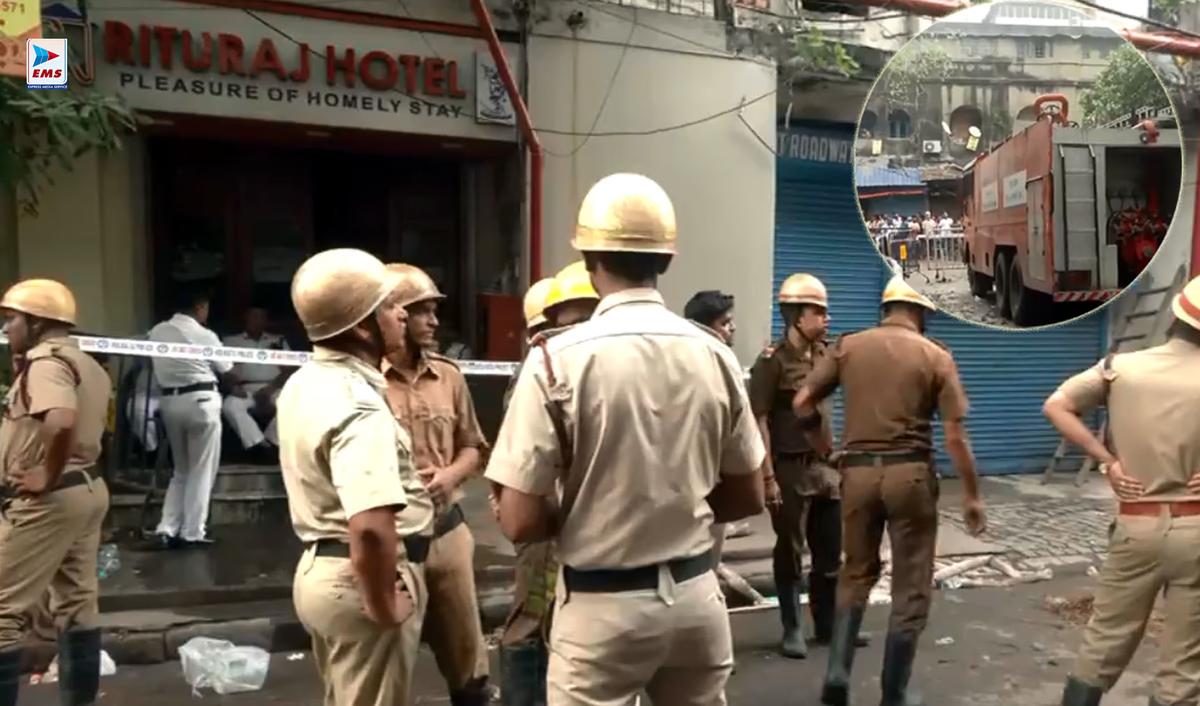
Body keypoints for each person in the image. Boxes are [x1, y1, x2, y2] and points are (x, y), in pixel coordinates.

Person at [486, 173, 766, 705]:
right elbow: (748, 493)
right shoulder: (715, 353)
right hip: (695, 600)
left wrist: (583, 514)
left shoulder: (555, 360)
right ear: (666, 261)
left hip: (600, 608)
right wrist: (677, 508)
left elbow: (519, 519)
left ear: (590, 260)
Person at [792, 276, 986, 706]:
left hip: (857, 475)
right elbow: (955, 436)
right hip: (910, 476)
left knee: (855, 571)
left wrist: (825, 450)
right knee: (910, 584)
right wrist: (972, 496)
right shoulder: (935, 356)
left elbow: (802, 402)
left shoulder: (848, 347)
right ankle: (893, 693)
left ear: (885, 309)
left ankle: (838, 673)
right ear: (921, 311)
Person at [278, 249, 435, 706]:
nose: (402, 314)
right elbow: (369, 527)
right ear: (364, 328)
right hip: (361, 578)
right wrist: (383, 604)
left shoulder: (306, 381)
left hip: (324, 569)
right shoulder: (358, 406)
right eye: (389, 306)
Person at [1045, 275, 1200, 706]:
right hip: (1196, 532)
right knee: (1185, 663)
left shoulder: (1120, 367)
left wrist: (1107, 461)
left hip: (1136, 527)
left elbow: (1056, 406)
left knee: (1104, 641)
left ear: (1174, 317)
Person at [382, 264, 491, 706]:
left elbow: (474, 448)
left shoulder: (449, 376)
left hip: (448, 535)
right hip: (390, 540)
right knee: (387, 663)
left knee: (468, 664)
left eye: (433, 311)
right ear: (395, 315)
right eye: (421, 312)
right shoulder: (365, 381)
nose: (433, 321)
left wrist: (450, 475)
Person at [0, 279, 111, 706]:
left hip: (50, 500)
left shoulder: (47, 363)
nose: (6, 328)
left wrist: (46, 474)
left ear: (37, 322)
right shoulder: (85, 363)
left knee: (3, 610)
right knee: (77, 604)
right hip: (86, 488)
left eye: (12, 319)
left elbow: (61, 419)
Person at [750, 273, 867, 660]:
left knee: (830, 552)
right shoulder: (772, 362)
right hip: (789, 469)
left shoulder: (827, 356)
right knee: (790, 551)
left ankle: (827, 626)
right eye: (819, 312)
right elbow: (759, 419)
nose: (826, 318)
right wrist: (767, 476)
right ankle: (792, 628)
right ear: (796, 316)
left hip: (825, 469)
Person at [495, 272, 595, 706]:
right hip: (543, 515)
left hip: (560, 513)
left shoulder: (564, 367)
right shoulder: (539, 373)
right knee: (532, 617)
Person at [146, 288, 232, 548]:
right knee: (201, 470)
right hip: (201, 401)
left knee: (181, 470)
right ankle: (193, 531)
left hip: (170, 402)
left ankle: (167, 527)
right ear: (199, 308)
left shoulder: (156, 331)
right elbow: (227, 368)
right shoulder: (204, 335)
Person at [222, 305, 291, 464]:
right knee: (230, 406)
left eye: (261, 317)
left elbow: (289, 370)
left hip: (273, 387)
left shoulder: (278, 340)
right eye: (253, 317)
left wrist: (270, 389)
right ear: (245, 319)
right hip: (244, 388)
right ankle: (260, 445)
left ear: (267, 320)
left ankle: (272, 442)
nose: (257, 321)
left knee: (292, 405)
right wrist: (233, 386)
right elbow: (223, 369)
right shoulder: (231, 341)